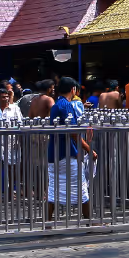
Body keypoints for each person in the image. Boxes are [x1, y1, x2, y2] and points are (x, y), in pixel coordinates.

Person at [46, 77, 96, 225]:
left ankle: (48, 223)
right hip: (67, 153)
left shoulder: (55, 106)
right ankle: (89, 221)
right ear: (73, 90)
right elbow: (73, 132)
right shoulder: (67, 106)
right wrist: (88, 149)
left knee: (53, 188)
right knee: (80, 187)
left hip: (54, 153)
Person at [0, 86, 23, 203]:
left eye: (7, 96)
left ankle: (11, 192)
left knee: (12, 168)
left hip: (11, 142)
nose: (6, 99)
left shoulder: (15, 109)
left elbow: (21, 123)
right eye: (3, 97)